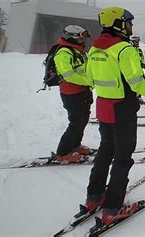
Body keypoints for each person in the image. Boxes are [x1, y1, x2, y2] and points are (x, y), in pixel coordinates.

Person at [84, 7, 145, 225]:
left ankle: (94, 196)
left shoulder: (95, 48)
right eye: (127, 23)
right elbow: (137, 83)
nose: (130, 26)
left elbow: (89, 79)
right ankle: (112, 207)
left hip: (104, 106)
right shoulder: (124, 49)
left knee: (106, 151)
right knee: (123, 156)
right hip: (122, 108)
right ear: (117, 24)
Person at [53, 25, 93, 163]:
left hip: (82, 91)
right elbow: (68, 75)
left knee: (83, 119)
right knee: (76, 122)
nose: (84, 40)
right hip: (71, 92)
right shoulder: (64, 53)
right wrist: (88, 81)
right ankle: (62, 153)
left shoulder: (78, 51)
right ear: (73, 36)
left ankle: (75, 145)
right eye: (82, 36)